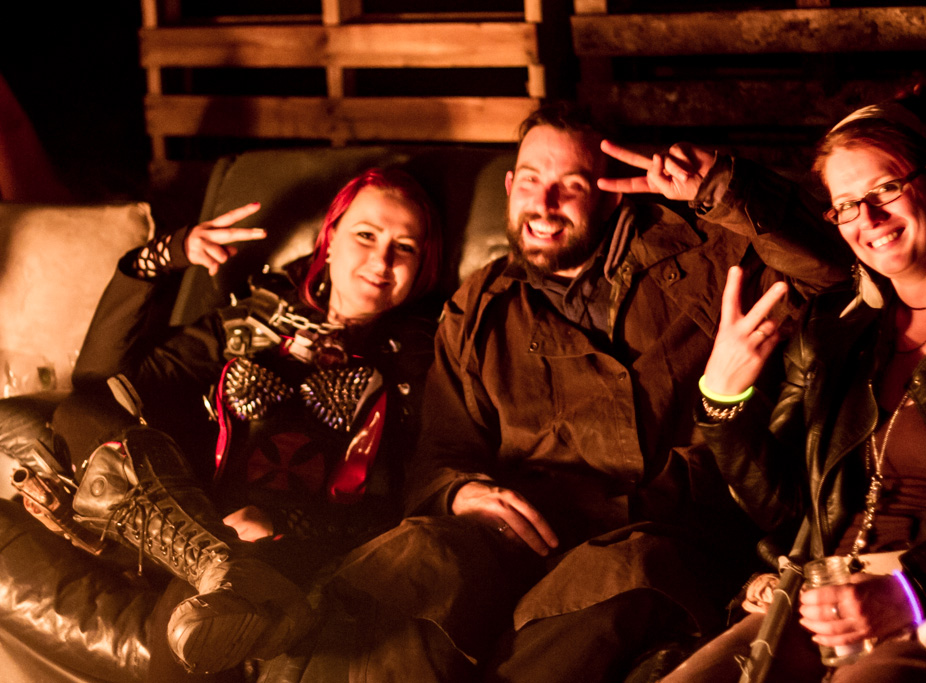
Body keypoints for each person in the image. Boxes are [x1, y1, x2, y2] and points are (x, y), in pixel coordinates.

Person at [302, 102, 849, 683]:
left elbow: (836, 273)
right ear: (509, 187)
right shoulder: (480, 304)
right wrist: (461, 493)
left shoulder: (704, 260)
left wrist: (720, 187)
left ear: (612, 196)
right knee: (418, 555)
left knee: (622, 574)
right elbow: (441, 449)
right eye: (531, 181)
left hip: (652, 537)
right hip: (523, 532)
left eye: (571, 186)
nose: (544, 204)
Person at [1, 167, 445, 680]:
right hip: (183, 520)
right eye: (366, 235)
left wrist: (281, 523)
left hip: (282, 551)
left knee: (209, 611)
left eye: (404, 247)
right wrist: (161, 257)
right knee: (81, 415)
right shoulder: (251, 321)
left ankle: (210, 578)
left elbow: (396, 509)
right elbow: (99, 383)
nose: (382, 260)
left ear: (423, 267)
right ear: (330, 239)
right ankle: (205, 561)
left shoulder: (421, 364)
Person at [662, 97, 926, 683]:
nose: (868, 218)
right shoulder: (832, 330)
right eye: (847, 204)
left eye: (886, 189)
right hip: (821, 595)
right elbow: (784, 506)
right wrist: (722, 402)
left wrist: (910, 590)